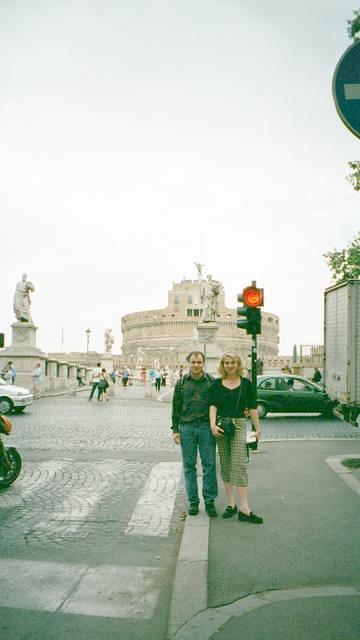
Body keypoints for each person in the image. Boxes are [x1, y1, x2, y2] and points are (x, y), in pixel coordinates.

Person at [209, 352, 263, 524]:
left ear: (238, 364)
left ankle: (244, 508)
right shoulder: (217, 383)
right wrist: (212, 424)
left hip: (239, 424)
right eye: (226, 363)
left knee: (238, 464)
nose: (230, 366)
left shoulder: (246, 383)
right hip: (221, 426)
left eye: (233, 362)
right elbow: (213, 405)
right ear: (222, 365)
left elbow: (253, 407)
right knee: (225, 463)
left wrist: (258, 429)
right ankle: (231, 504)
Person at [172, 351, 218, 517]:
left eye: (199, 362)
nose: (196, 365)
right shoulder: (182, 383)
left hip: (206, 428)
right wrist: (175, 430)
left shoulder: (211, 382)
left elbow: (218, 404)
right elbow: (176, 408)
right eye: (193, 362)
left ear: (203, 363)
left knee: (209, 464)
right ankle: (193, 501)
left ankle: (210, 501)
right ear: (188, 363)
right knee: (189, 466)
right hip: (187, 428)